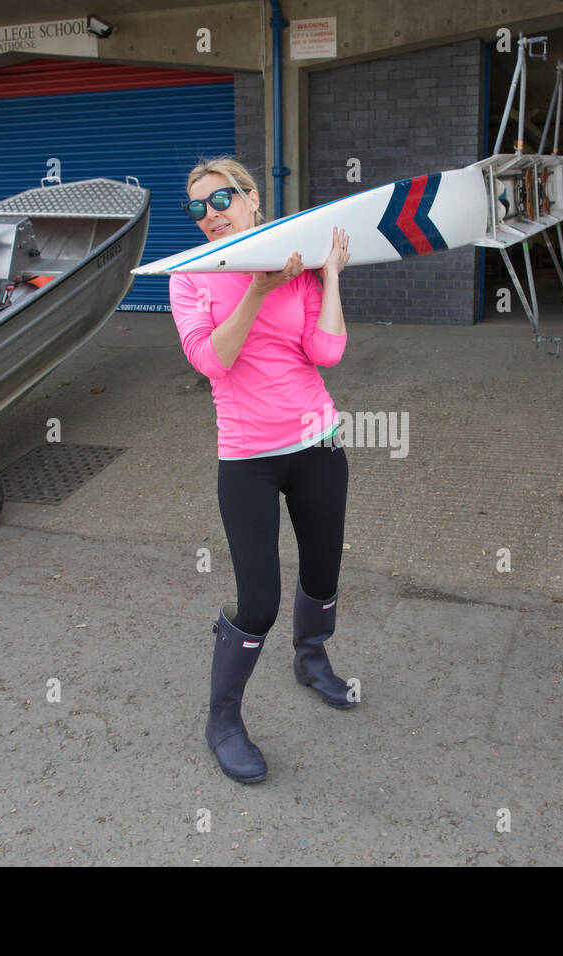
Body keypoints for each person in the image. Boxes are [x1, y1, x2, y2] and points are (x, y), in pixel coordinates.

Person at [168, 157, 355, 785]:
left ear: (251, 198)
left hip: (317, 442)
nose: (210, 214)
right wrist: (256, 289)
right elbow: (212, 362)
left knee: (324, 567)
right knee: (258, 601)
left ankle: (312, 658)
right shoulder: (189, 277)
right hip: (247, 457)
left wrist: (328, 278)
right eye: (196, 207)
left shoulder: (297, 263)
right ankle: (222, 720)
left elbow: (325, 352)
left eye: (221, 198)